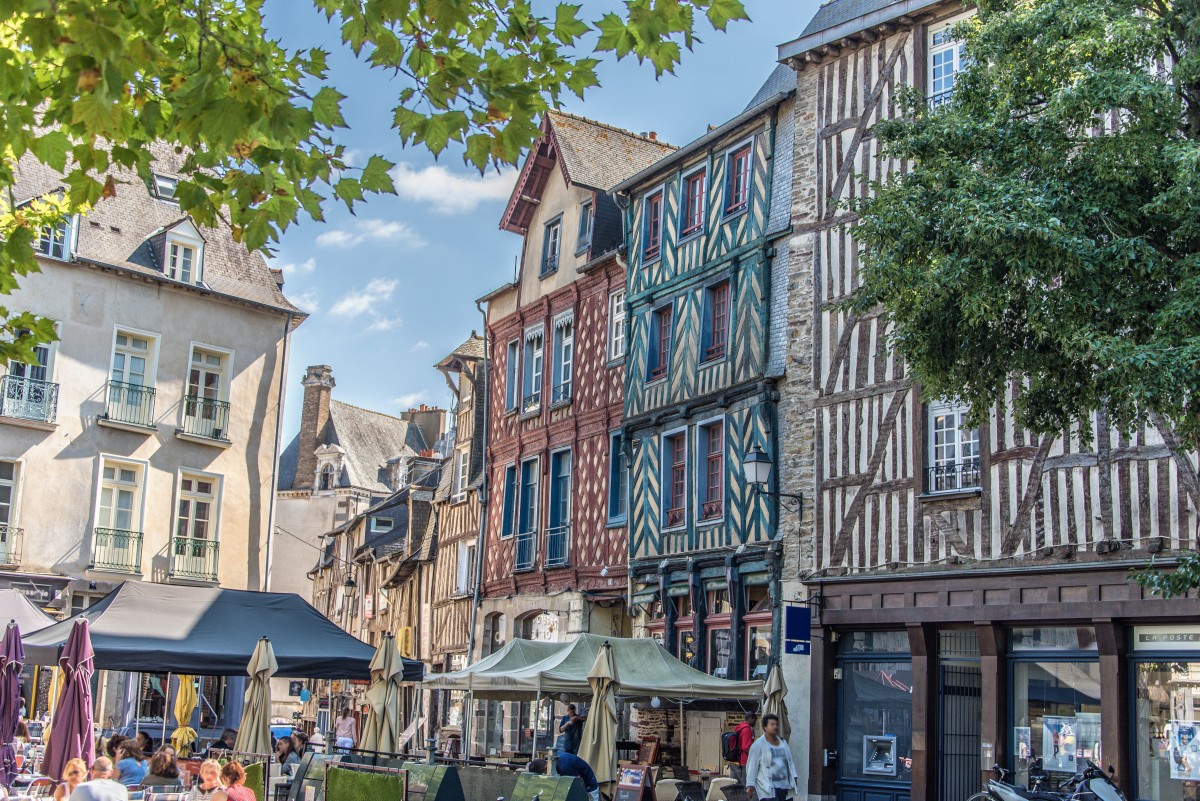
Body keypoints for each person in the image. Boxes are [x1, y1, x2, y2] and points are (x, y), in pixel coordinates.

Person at [744, 713, 798, 801]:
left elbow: (789, 762)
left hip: (785, 786)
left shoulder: (783, 743)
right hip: (768, 788)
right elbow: (752, 766)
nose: (775, 727)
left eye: (776, 724)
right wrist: (750, 785)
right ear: (765, 727)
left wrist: (794, 776)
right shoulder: (758, 745)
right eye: (772, 724)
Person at [529, 755, 600, 801]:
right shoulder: (552, 759)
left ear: (545, 767)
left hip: (589, 788)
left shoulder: (565, 767)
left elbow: (575, 790)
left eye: (543, 773)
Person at [729, 713, 758, 785]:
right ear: (750, 719)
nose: (755, 722)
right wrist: (754, 757)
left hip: (733, 761)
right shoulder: (747, 730)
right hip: (742, 762)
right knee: (747, 785)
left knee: (733, 787)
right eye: (755, 720)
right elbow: (746, 747)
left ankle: (731, 797)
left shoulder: (739, 728)